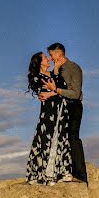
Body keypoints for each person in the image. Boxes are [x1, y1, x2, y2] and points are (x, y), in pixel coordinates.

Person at [38, 42, 87, 184]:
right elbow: (54, 89)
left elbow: (75, 93)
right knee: (61, 140)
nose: (50, 58)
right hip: (61, 108)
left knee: (73, 138)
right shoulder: (56, 69)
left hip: (73, 106)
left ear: (59, 53)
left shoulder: (74, 68)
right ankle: (64, 173)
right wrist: (48, 94)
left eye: (51, 55)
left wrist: (56, 90)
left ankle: (81, 175)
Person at [25, 51, 73, 185]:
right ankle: (44, 173)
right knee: (46, 140)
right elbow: (44, 91)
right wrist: (54, 91)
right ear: (40, 63)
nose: (48, 59)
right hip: (48, 113)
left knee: (62, 138)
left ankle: (62, 171)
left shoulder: (53, 74)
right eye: (45, 58)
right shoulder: (36, 77)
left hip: (61, 111)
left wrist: (53, 90)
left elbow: (63, 88)